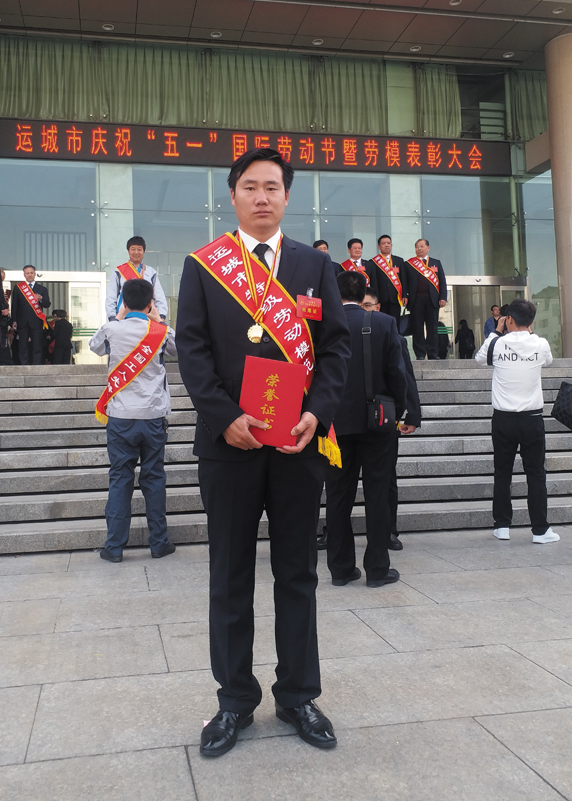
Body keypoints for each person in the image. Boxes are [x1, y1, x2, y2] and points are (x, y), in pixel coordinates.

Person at [176, 147, 350, 758]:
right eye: (250, 186)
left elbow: (336, 349)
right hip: (230, 446)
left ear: (286, 196)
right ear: (233, 195)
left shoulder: (314, 265)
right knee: (229, 575)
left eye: (272, 187)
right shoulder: (204, 266)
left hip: (299, 443)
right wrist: (224, 417)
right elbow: (192, 350)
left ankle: (299, 695)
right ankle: (234, 700)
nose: (261, 197)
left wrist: (317, 412)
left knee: (297, 573)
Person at [325, 272, 406, 587]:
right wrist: (399, 409)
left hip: (332, 424)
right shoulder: (384, 323)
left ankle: (340, 569)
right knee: (377, 495)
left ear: (336, 293)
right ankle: (377, 569)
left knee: (337, 496)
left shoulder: (321, 325)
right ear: (363, 295)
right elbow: (397, 373)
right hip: (377, 423)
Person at [90, 278, 176, 562]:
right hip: (153, 417)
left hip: (121, 419)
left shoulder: (111, 328)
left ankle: (114, 547)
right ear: (151, 302)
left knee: (120, 479)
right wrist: (158, 320)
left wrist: (119, 317)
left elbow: (94, 347)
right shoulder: (162, 332)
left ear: (124, 302)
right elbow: (181, 349)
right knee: (154, 478)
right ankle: (159, 543)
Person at [476, 299, 559, 544]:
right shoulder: (540, 344)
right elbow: (548, 361)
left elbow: (480, 359)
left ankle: (502, 526)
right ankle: (540, 530)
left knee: (502, 472)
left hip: (503, 419)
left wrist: (496, 331)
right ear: (532, 322)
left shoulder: (497, 343)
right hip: (532, 419)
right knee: (536, 474)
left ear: (508, 319)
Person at [360, 287, 421, 552]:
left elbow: (405, 376)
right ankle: (334, 532)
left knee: (387, 479)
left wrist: (412, 413)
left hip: (382, 418)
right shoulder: (341, 331)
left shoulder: (391, 334)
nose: (364, 311)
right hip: (347, 418)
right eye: (360, 306)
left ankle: (389, 531)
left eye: (368, 306)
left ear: (378, 308)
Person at [402, 238, 447, 361]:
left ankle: (433, 353)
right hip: (416, 300)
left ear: (428, 248)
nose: (419, 249)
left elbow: (442, 282)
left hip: (432, 300)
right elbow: (404, 282)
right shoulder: (409, 264)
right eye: (417, 246)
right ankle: (420, 353)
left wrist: (443, 297)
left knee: (432, 328)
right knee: (417, 328)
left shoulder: (436, 263)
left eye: (421, 246)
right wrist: (405, 296)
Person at [106, 235, 168, 321]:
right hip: (123, 318)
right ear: (128, 251)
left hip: (146, 318)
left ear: (143, 251)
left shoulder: (151, 272)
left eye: (139, 249)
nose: (136, 252)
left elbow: (159, 297)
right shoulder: (118, 271)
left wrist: (161, 316)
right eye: (133, 249)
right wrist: (112, 317)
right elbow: (111, 296)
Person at [10, 265, 50, 365]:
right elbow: (14, 305)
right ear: (24, 274)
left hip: (36, 321)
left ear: (35, 274)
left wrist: (41, 299)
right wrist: (14, 320)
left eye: (31, 273)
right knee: (22, 346)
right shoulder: (18, 288)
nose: (29, 275)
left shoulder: (42, 289)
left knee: (37, 346)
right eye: (27, 273)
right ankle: (24, 366)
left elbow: (47, 304)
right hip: (22, 321)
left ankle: (36, 366)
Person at [370, 235, 404, 328]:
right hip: (381, 299)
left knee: (395, 323)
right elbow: (374, 282)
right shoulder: (373, 262)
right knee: (381, 323)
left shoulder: (399, 261)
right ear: (379, 246)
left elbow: (403, 279)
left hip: (395, 298)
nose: (386, 245)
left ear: (391, 245)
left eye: (388, 243)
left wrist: (405, 295)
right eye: (383, 243)